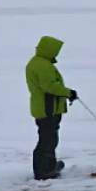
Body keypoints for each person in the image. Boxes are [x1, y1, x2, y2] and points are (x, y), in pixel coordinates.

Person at [25, 35, 77, 181]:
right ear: (49, 50)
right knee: (47, 139)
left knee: (49, 137)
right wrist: (68, 93)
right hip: (47, 108)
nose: (56, 54)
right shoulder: (42, 65)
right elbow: (49, 86)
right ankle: (43, 171)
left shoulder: (40, 62)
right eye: (55, 51)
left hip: (46, 107)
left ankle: (49, 166)